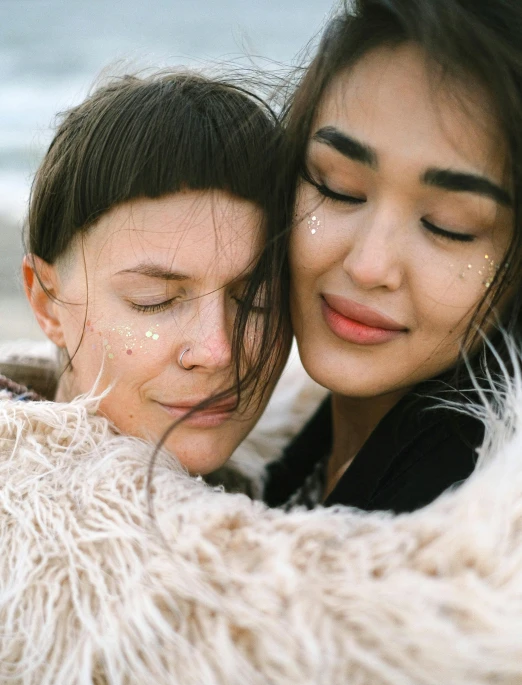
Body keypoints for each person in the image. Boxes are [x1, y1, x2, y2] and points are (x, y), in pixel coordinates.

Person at [265, 0, 518, 513]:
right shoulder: (276, 446)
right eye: (338, 189)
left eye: (449, 225)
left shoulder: (475, 545)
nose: (368, 265)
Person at [17, 69, 292, 476]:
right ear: (48, 303)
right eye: (154, 301)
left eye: (257, 301)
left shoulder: (292, 464)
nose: (216, 351)